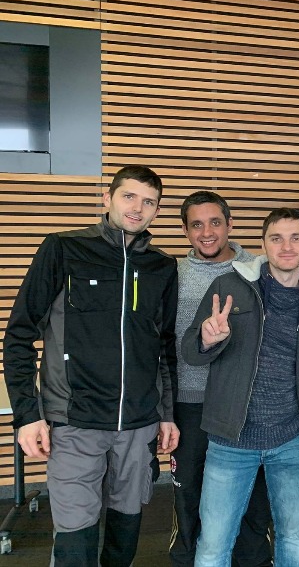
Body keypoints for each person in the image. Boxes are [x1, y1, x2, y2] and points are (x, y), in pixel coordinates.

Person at [3, 165, 179, 565]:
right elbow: (19, 335)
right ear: (107, 198)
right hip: (74, 421)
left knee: (126, 529)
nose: (137, 208)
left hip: (138, 424)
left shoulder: (161, 267)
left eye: (149, 202)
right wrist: (27, 415)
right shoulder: (64, 249)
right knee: (74, 535)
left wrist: (166, 414)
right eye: (129, 196)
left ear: (156, 210)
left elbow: (164, 348)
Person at [182, 207, 299, 567]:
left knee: (293, 533)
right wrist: (206, 339)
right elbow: (191, 352)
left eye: (296, 238)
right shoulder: (229, 287)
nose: (286, 246)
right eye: (277, 238)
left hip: (292, 440)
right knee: (213, 544)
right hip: (230, 440)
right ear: (264, 244)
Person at [169, 191, 271, 567]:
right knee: (189, 491)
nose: (207, 232)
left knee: (251, 493)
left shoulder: (259, 269)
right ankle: (189, 559)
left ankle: (254, 560)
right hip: (189, 403)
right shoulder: (172, 276)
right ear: (186, 231)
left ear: (230, 224)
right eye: (196, 225)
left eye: (215, 222)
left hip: (245, 404)